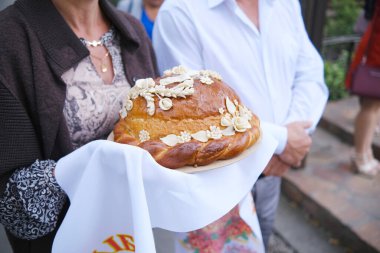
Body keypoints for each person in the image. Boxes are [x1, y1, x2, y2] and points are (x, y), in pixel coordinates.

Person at [153, 0, 328, 250]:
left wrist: (291, 135)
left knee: (264, 239)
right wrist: (280, 141)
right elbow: (192, 114)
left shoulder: (285, 3)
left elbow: (309, 72)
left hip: (272, 174)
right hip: (218, 185)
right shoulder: (180, 11)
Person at [0, 0, 158, 252]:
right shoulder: (9, 38)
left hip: (134, 235)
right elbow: (15, 211)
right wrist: (92, 161)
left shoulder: (132, 30)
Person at [346, 0, 380, 177]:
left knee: (374, 107)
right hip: (376, 55)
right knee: (370, 106)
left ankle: (365, 152)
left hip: (376, 52)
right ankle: (360, 154)